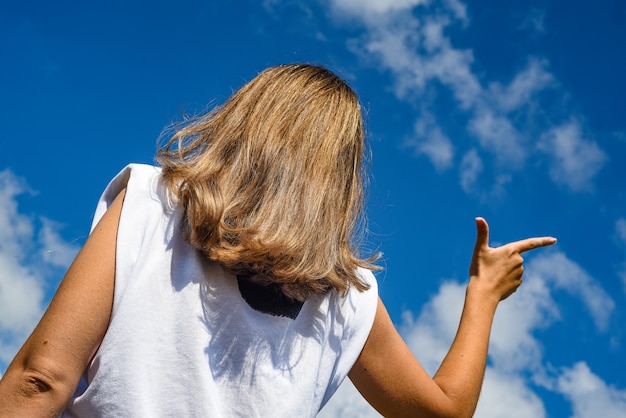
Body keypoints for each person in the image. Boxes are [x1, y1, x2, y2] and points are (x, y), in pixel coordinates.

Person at [0, 64, 556, 417]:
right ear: (342, 178)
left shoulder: (154, 200)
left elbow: (39, 379)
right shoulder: (350, 297)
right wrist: (482, 296)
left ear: (243, 122)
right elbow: (444, 414)